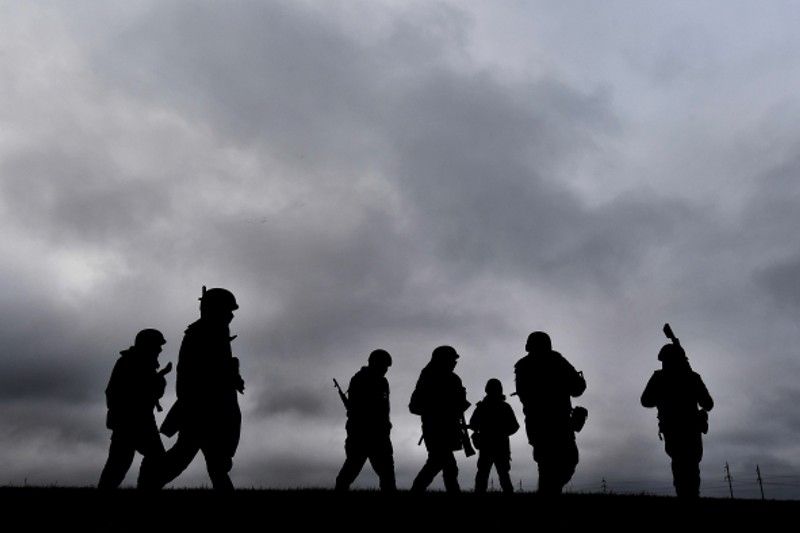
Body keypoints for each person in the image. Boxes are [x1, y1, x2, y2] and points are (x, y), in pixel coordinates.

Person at [156, 287, 244, 491]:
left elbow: (219, 367)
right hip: (201, 408)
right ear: (215, 310)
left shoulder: (216, 332)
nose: (231, 315)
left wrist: (233, 373)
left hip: (210, 408)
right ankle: (149, 485)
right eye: (227, 310)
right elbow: (199, 373)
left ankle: (149, 484)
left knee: (213, 460)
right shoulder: (202, 333)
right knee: (190, 457)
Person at [514, 331, 586, 495]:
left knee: (547, 466)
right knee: (562, 462)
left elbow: (525, 396)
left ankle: (549, 491)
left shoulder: (523, 366)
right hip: (558, 423)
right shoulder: (557, 361)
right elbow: (577, 388)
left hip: (537, 424)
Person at [98, 329, 170, 489]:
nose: (160, 349)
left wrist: (159, 377)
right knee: (152, 458)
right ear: (148, 345)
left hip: (132, 421)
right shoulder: (135, 363)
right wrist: (160, 378)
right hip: (135, 421)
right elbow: (139, 391)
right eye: (157, 345)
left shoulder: (135, 362)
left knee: (119, 463)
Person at [641, 341, 713, 499]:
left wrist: (662, 398)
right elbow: (708, 404)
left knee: (682, 467)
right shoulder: (691, 377)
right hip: (684, 430)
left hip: (678, 429)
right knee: (688, 469)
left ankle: (687, 497)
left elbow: (646, 401)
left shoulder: (661, 377)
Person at [409, 345, 470, 493]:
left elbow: (458, 405)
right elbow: (414, 406)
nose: (454, 363)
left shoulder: (454, 379)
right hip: (435, 428)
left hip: (450, 427)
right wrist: (439, 408)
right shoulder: (429, 376)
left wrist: (458, 404)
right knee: (441, 464)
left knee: (441, 465)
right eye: (452, 359)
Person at [334, 349, 396, 491]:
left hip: (380, 434)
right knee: (350, 470)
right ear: (374, 363)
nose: (386, 370)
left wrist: (386, 425)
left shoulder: (383, 382)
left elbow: (384, 407)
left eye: (387, 367)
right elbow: (358, 408)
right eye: (384, 366)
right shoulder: (359, 379)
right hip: (360, 434)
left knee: (387, 474)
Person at [469, 378, 520, 493]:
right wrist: (502, 433)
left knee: (486, 475)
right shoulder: (504, 407)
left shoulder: (482, 407)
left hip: (489, 445)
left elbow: (473, 425)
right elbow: (514, 427)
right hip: (497, 445)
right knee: (499, 475)